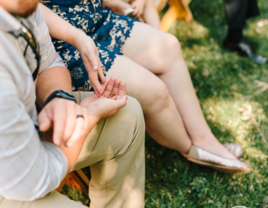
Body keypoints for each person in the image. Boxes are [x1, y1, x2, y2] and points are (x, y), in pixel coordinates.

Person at [41, 1, 251, 173]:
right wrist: (76, 36)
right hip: (62, 40)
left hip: (98, 17)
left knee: (169, 46)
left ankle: (205, 139)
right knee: (153, 91)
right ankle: (190, 149)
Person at [0, 1, 145, 208]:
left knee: (128, 114)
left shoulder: (20, 5)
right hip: (14, 180)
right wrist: (85, 118)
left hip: (27, 126)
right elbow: (34, 179)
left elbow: (48, 62)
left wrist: (60, 100)